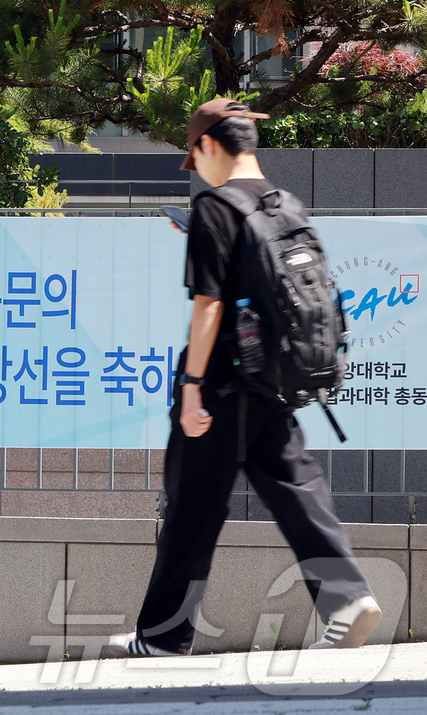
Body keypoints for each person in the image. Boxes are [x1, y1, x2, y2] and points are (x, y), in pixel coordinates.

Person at [107, 99, 381, 657]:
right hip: (276, 379)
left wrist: (190, 388)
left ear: (208, 145)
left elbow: (208, 306)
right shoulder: (287, 207)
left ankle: (163, 637)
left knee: (191, 506)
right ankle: (348, 597)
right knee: (297, 488)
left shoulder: (216, 208)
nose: (196, 169)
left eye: (194, 157)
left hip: (222, 384)